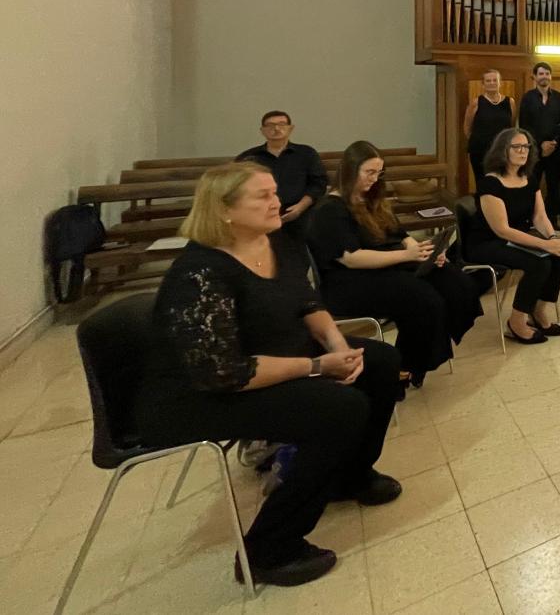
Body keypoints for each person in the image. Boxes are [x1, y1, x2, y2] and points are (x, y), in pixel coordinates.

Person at [137, 163, 401, 588]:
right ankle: (269, 550)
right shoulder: (200, 272)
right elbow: (227, 371)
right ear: (223, 210)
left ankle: (348, 476)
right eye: (261, 196)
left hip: (275, 357)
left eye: (275, 192)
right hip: (202, 395)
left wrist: (337, 346)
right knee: (339, 410)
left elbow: (307, 303)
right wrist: (318, 366)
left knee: (381, 364)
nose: (276, 201)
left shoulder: (278, 241)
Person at [305, 141, 485, 386]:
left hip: (382, 267)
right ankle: (405, 367)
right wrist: (406, 256)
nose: (374, 179)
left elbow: (399, 234)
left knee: (453, 281)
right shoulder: (329, 209)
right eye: (369, 172)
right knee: (423, 299)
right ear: (349, 170)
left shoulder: (370, 200)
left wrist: (421, 250)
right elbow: (351, 258)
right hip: (347, 281)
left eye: (378, 173)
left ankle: (419, 354)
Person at [461, 128, 560, 344]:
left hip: (514, 239)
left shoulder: (528, 178)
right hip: (487, 242)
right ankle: (517, 321)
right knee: (539, 264)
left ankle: (538, 310)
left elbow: (539, 216)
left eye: (527, 147)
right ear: (503, 150)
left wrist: (551, 239)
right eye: (517, 147)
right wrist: (543, 245)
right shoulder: (490, 183)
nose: (523, 151)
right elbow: (502, 229)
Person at [235, 111, 327, 238]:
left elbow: (318, 184)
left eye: (282, 124)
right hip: (260, 215)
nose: (276, 129)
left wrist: (300, 207)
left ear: (291, 128)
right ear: (262, 130)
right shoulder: (249, 158)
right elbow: (236, 187)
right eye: (270, 125)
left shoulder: (306, 153)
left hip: (301, 213)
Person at [518, 62, 560, 218]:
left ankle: (551, 222)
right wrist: (541, 144)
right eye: (541, 74)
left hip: (554, 150)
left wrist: (553, 142)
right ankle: (530, 219)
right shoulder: (527, 98)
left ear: (551, 77)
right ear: (534, 77)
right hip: (534, 150)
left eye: (547, 73)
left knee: (553, 187)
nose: (544, 77)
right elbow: (524, 126)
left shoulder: (559, 98)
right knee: (531, 185)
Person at [463, 69, 514, 191]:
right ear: (483, 84)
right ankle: (481, 208)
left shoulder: (510, 102)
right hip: (480, 151)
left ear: (500, 82)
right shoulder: (476, 103)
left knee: (501, 183)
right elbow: (467, 127)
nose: (492, 83)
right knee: (482, 183)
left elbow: (511, 125)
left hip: (501, 151)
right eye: (488, 80)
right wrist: (478, 141)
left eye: (494, 80)